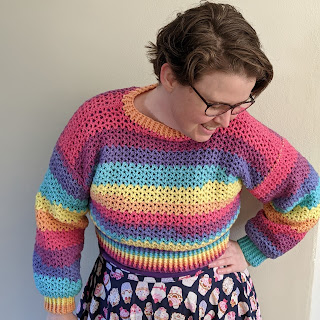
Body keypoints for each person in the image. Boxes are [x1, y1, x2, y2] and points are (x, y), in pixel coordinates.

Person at [33, 2, 320, 320]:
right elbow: (58, 216)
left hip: (212, 303)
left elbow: (306, 196)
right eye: (215, 104)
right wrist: (58, 308)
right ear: (169, 77)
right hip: (118, 302)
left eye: (239, 105)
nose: (226, 121)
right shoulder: (97, 123)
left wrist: (253, 248)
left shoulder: (238, 134)